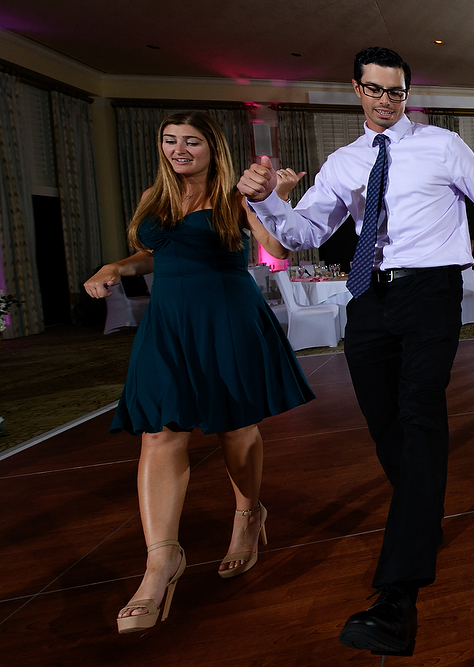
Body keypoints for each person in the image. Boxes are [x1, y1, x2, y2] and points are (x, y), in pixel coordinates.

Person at [237, 47, 474, 656]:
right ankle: (423, 512)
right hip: (369, 295)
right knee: (383, 419)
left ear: (407, 94)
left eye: (396, 91)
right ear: (357, 90)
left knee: (419, 414)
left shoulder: (443, 145)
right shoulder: (344, 162)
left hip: (432, 291)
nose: (386, 100)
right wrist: (264, 200)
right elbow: (304, 232)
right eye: (375, 89)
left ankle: (398, 597)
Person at [84, 111, 314, 634]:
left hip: (226, 319)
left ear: (213, 147)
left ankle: (248, 515)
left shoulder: (235, 196)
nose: (178, 150)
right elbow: (155, 253)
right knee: (160, 431)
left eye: (191, 141)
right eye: (170, 140)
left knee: (235, 427)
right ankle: (161, 560)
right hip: (168, 324)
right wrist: (117, 267)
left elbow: (279, 249)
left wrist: (268, 199)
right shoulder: (155, 196)